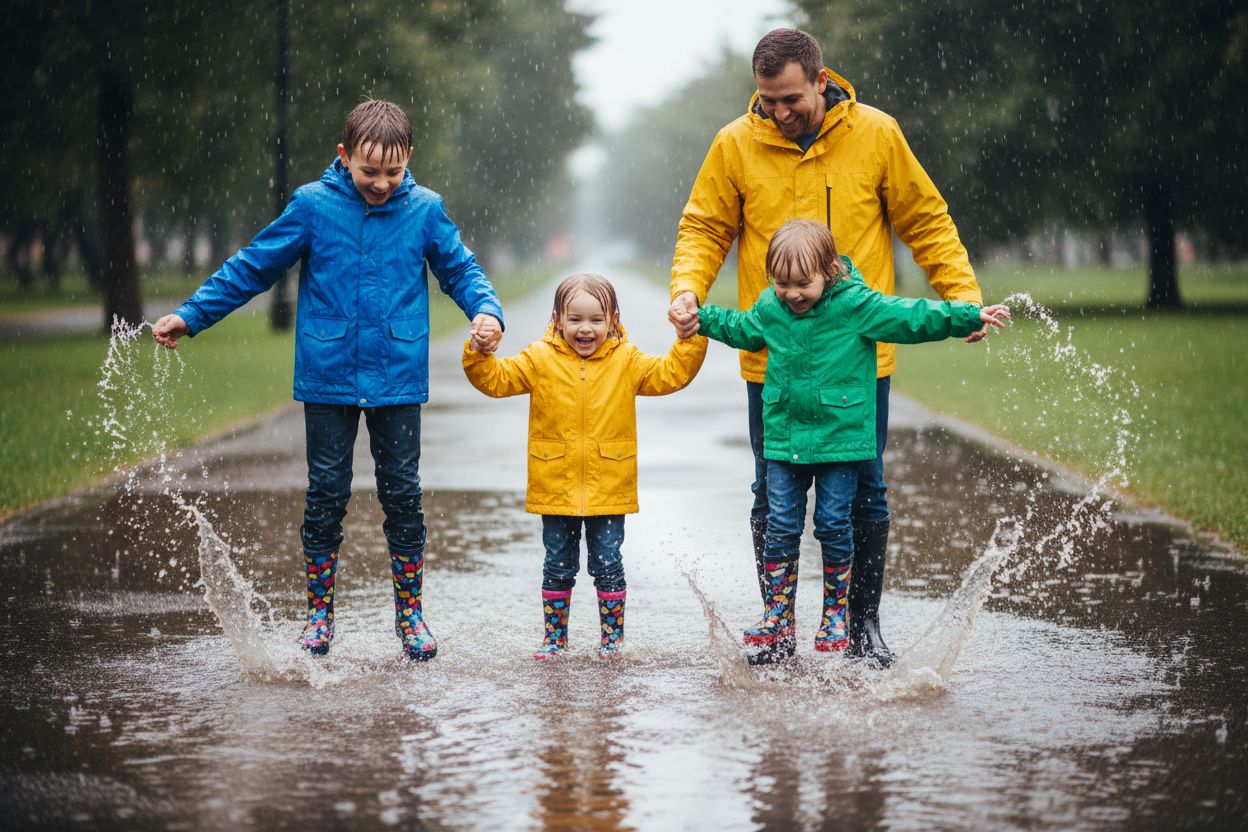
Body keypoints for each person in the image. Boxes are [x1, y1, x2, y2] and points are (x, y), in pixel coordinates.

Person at [667, 28, 987, 667]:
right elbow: (704, 225)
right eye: (766, 100)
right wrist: (686, 289)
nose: (778, 112)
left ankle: (860, 625)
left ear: (819, 80)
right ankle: (778, 627)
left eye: (790, 99)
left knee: (864, 494)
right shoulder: (735, 143)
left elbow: (924, 219)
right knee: (771, 493)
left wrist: (963, 298)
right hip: (774, 359)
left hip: (856, 359)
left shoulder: (876, 133)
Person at [150, 100, 505, 662]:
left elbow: (461, 270)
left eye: (392, 172)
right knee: (325, 498)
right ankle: (319, 614)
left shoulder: (426, 210)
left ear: (408, 158)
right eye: (370, 172)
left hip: (397, 375)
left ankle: (410, 614)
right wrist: (192, 316)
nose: (382, 184)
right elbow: (253, 265)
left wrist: (486, 312)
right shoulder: (313, 207)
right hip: (328, 376)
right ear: (344, 157)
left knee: (403, 498)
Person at [697, 220, 1008, 664]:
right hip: (785, 440)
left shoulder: (855, 305)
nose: (793, 294)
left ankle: (835, 615)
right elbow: (741, 327)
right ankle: (778, 615)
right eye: (782, 284)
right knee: (781, 525)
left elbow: (911, 317)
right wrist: (702, 319)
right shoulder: (771, 306)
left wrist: (965, 315)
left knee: (831, 524)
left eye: (803, 283)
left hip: (841, 441)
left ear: (829, 271)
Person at [462, 274, 706, 659]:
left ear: (613, 320)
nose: (586, 328)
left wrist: (689, 339)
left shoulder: (627, 360)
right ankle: (555, 639)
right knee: (557, 565)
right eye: (575, 319)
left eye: (596, 319)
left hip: (609, 485)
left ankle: (612, 640)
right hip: (554, 484)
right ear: (557, 319)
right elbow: (495, 379)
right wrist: (479, 352)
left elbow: (671, 373)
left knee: (608, 563)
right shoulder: (539, 358)